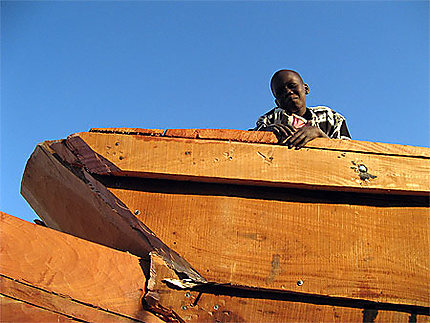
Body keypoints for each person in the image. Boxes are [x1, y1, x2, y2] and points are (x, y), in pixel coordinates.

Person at [253, 69, 351, 148]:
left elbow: (349, 153)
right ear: (277, 103)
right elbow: (249, 139)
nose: (288, 92)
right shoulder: (270, 119)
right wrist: (266, 134)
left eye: (292, 86)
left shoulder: (330, 117)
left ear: (306, 89)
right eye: (280, 92)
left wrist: (319, 134)